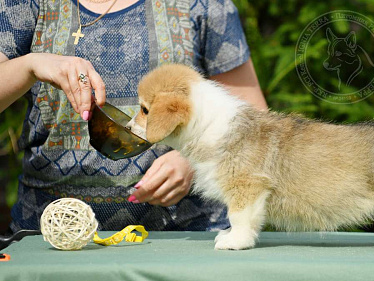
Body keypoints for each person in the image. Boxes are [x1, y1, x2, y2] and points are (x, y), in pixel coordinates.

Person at [0, 0, 267, 232]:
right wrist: (29, 64)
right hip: (52, 232)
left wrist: (193, 161)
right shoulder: (25, 3)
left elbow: (253, 118)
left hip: (189, 236)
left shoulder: (205, 4)